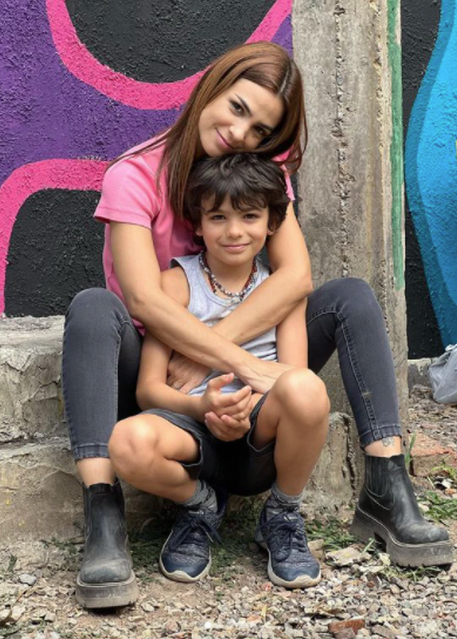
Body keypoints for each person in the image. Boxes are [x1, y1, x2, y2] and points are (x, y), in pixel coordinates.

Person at [62, 41, 452, 609]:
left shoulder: (260, 172)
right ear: (211, 88)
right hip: (158, 367)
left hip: (246, 377)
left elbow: (295, 277)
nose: (241, 133)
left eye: (261, 129)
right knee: (94, 307)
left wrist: (214, 352)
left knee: (350, 297)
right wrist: (233, 363)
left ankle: (387, 484)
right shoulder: (134, 175)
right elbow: (144, 300)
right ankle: (103, 513)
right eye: (238, 108)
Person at [109, 153, 330, 589]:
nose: (234, 231)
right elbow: (149, 390)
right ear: (197, 223)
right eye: (218, 217)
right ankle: (200, 505)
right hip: (190, 430)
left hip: (259, 433)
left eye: (249, 216)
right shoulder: (173, 285)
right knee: (127, 441)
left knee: (307, 389)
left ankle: (282, 514)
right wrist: (202, 406)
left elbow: (294, 377)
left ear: (272, 222)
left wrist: (246, 405)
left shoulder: (282, 291)